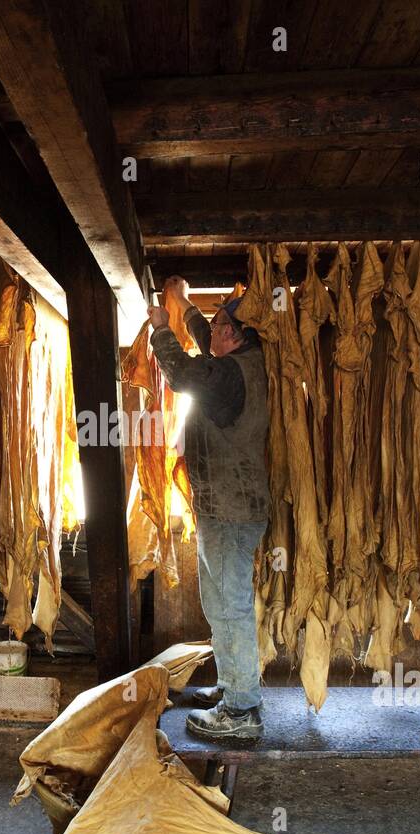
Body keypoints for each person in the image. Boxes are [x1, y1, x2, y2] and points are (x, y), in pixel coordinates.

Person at [147, 276, 269, 741]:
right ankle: (232, 686)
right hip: (225, 509)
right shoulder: (241, 359)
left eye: (219, 326)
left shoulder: (230, 376)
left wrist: (162, 328)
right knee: (218, 603)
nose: (210, 331)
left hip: (231, 512)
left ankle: (242, 712)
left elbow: (182, 374)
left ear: (233, 335)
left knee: (230, 606)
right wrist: (183, 303)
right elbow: (205, 338)